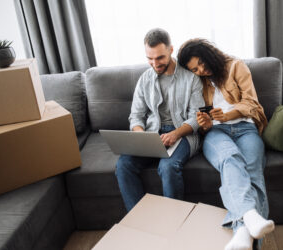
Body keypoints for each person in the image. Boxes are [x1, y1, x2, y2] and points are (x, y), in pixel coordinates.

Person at [178, 38, 274, 250]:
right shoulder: (197, 81)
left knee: (253, 171)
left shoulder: (236, 66)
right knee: (230, 158)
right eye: (195, 69)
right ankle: (249, 218)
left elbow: (252, 103)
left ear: (209, 53)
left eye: (202, 63)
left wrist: (227, 114)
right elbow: (201, 121)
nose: (201, 70)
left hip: (246, 128)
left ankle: (242, 232)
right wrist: (205, 122)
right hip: (215, 132)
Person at [115, 29, 204, 212]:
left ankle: (174, 223)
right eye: (150, 58)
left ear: (171, 49)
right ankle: (140, 220)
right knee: (124, 165)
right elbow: (136, 116)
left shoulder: (191, 79)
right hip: (152, 133)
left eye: (160, 58)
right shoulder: (144, 79)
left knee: (169, 166)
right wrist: (140, 136)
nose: (154, 63)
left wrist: (175, 134)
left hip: (183, 133)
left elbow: (196, 117)